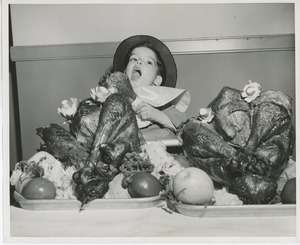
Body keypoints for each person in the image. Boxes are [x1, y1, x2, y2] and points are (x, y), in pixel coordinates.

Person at [113, 35, 190, 132]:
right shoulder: (112, 99)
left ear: (157, 80)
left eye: (149, 62)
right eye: (133, 59)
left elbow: (185, 130)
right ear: (124, 73)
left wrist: (157, 115)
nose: (139, 62)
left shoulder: (163, 104)